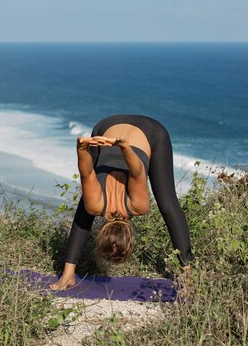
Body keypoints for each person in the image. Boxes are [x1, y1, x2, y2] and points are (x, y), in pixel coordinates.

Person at [50, 114, 193, 290]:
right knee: (167, 205)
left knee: (168, 205)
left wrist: (125, 148)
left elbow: (137, 172)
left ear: (131, 237)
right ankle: (188, 276)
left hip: (146, 131)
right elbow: (91, 173)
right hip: (107, 126)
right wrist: (82, 148)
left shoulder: (138, 206)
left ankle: (189, 276)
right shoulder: (96, 204)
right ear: (100, 232)